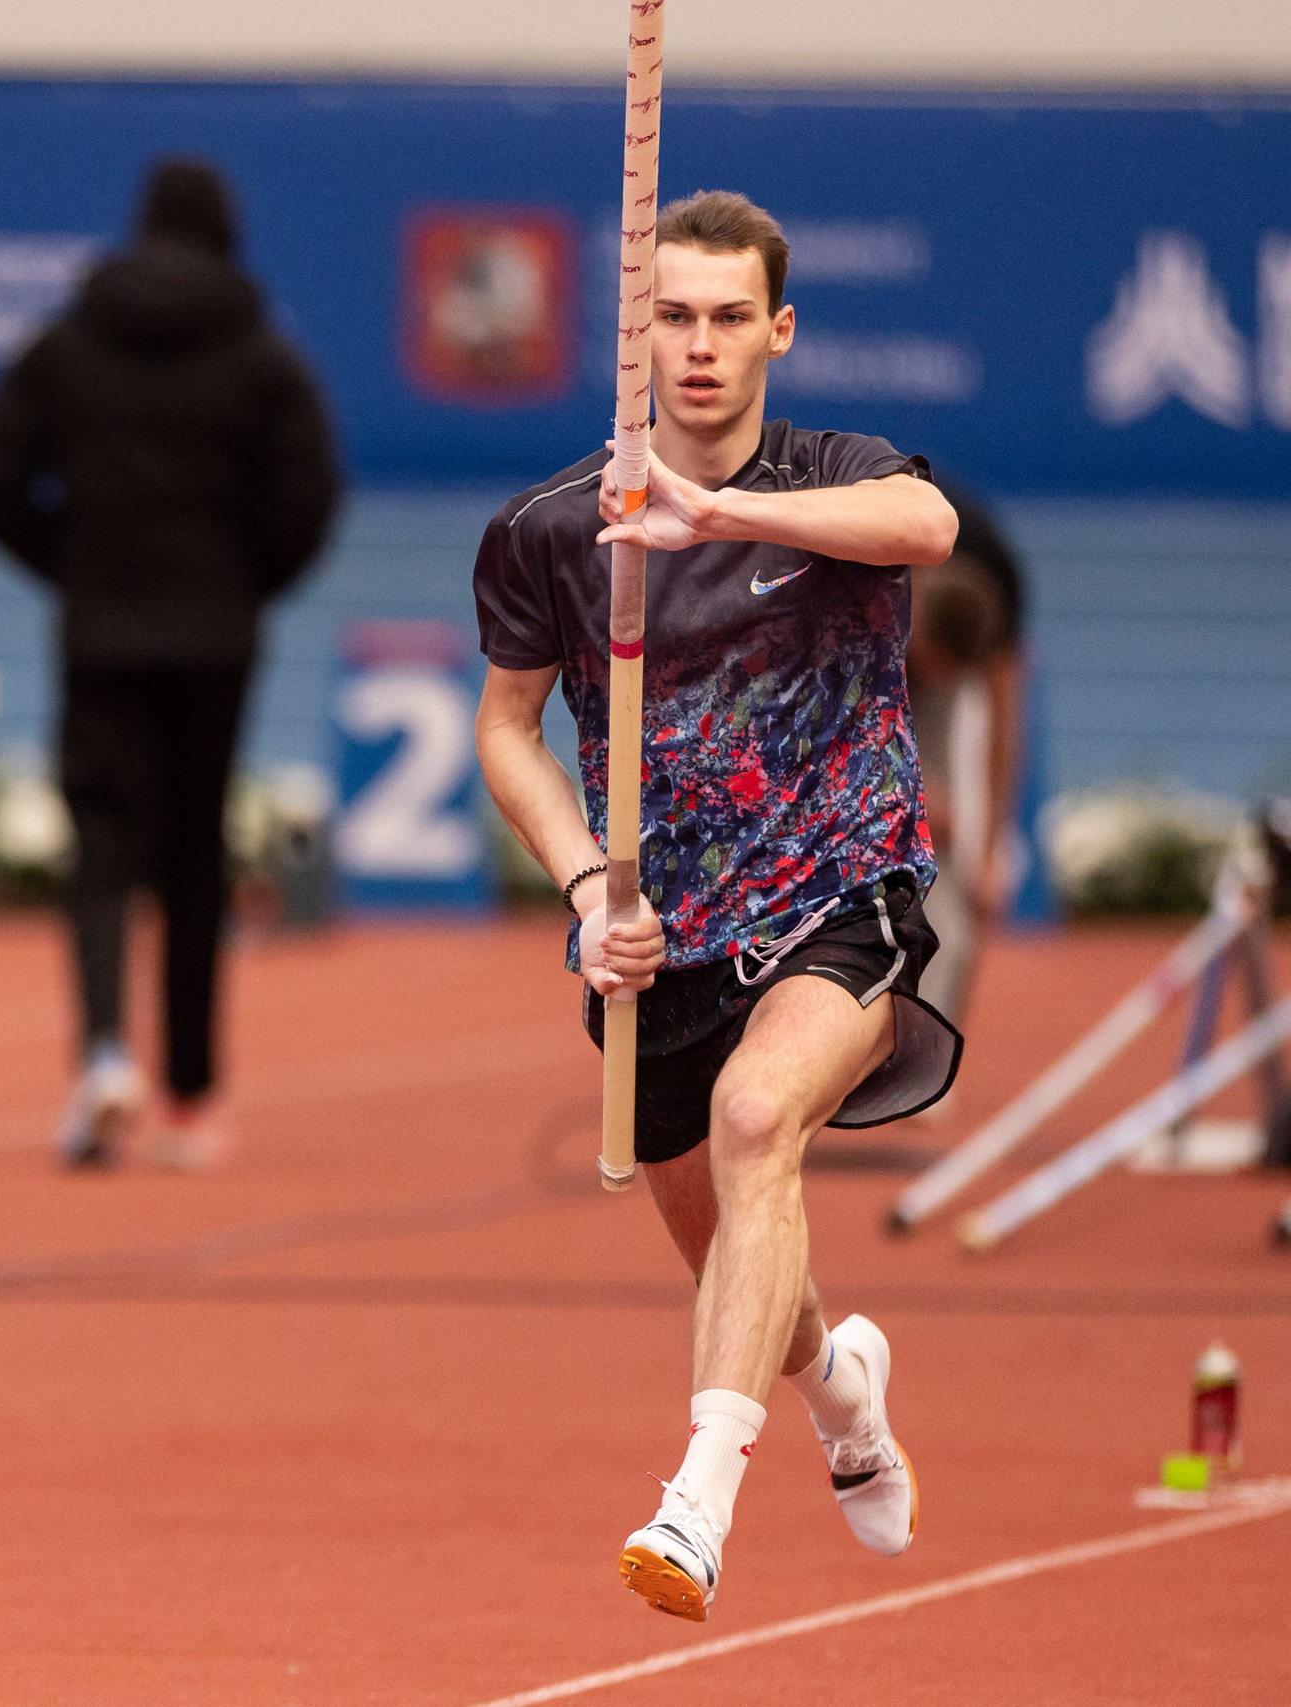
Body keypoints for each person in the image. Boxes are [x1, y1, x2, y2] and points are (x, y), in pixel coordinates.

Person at [472, 191, 962, 1621]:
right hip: (661, 936)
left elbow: (925, 525)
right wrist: (581, 886)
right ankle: (845, 1402)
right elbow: (505, 731)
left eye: (729, 318)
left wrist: (714, 512)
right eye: (672, 317)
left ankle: (696, 1505)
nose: (699, 346)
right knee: (747, 1260)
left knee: (761, 1124)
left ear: (778, 329)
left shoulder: (836, 475)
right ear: (639, 334)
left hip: (841, 890)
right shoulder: (553, 529)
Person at [0, 157, 341, 1172]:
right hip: (216, 639)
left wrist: (73, 567)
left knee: (99, 847)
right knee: (192, 857)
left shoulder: (64, 345)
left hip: (100, 630)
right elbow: (311, 495)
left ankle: (101, 1055)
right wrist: (245, 582)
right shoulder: (263, 357)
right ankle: (190, 1098)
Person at [909, 479, 1031, 1026]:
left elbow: (1006, 728)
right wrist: (911, 784)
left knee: (959, 836)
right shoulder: (876, 557)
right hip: (859, 650)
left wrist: (989, 847)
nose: (934, 682)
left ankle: (932, 1036)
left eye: (948, 676)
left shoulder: (999, 591)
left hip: (943, 621)